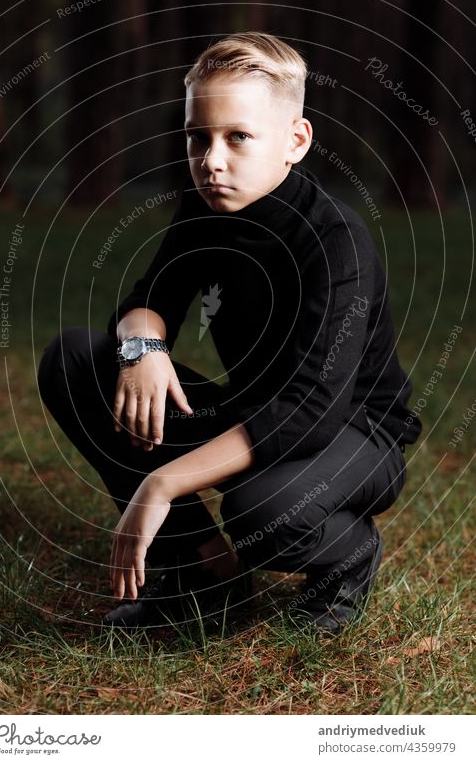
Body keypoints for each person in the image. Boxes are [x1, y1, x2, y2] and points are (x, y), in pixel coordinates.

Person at [38, 32, 422, 635]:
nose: (211, 160)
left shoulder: (335, 241)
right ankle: (201, 573)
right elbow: (148, 300)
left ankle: (348, 556)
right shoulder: (205, 207)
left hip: (353, 432)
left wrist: (163, 484)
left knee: (264, 513)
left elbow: (310, 412)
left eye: (238, 137)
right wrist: (142, 349)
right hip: (255, 411)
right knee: (75, 359)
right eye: (198, 138)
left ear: (295, 141)